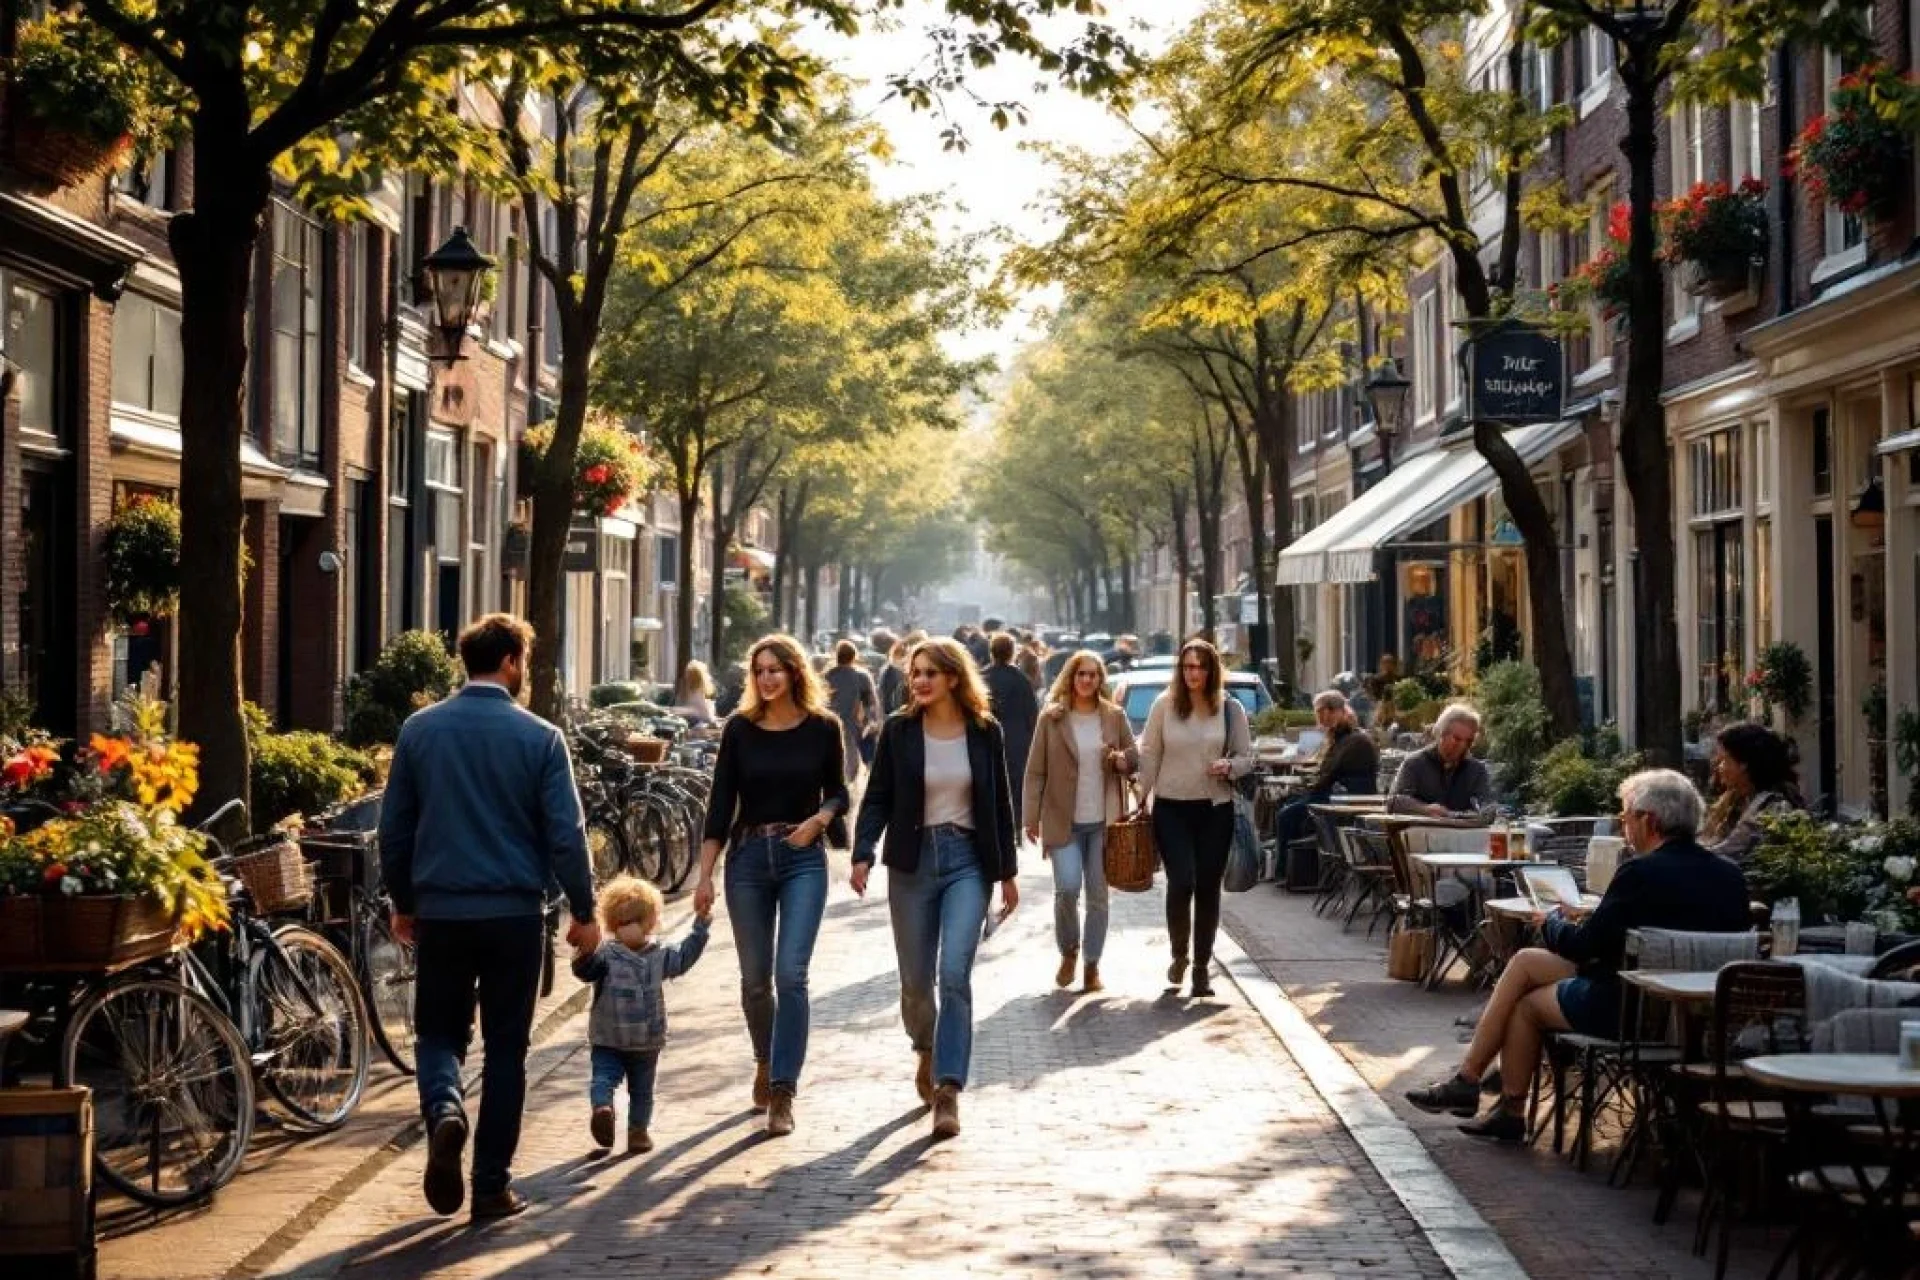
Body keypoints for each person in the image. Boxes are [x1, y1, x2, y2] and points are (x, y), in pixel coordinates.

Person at [378, 613, 598, 1221]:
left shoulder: (420, 731)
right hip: (515, 916)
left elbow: (392, 831)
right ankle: (492, 1186)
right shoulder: (541, 738)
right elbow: (566, 836)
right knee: (507, 1050)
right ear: (509, 663)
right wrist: (583, 909)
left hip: (443, 914)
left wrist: (404, 902)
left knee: (440, 1034)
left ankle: (446, 1107)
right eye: (522, 662)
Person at [1406, 768, 1749, 1140]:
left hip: (1629, 1009)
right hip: (1701, 1016)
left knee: (1527, 1005)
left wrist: (1551, 921)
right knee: (1525, 962)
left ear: (1648, 820)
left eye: (1625, 816)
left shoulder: (1640, 872)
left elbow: (1584, 947)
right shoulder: (1730, 875)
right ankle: (1469, 1079)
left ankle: (1506, 1106)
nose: (1623, 826)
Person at [853, 637, 1019, 1140]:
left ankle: (948, 1089)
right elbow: (878, 794)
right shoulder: (900, 731)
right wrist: (862, 851)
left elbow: (999, 803)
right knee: (916, 981)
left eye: (930, 672)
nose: (919, 680)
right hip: (912, 862)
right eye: (915, 673)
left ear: (953, 677)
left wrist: (1007, 874)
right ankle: (925, 1047)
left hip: (968, 859)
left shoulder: (984, 731)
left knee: (954, 973)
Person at [693, 634, 849, 1138]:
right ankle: (764, 1057)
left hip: (803, 858)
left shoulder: (824, 728)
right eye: (759, 670)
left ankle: (783, 1090)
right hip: (748, 860)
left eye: (776, 669)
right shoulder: (739, 729)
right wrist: (704, 877)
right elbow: (720, 806)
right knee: (755, 980)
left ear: (795, 672)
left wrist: (820, 819)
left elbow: (841, 791)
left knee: (791, 976)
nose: (766, 678)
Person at [1137, 637, 1255, 998]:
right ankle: (1179, 954)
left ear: (1211, 670)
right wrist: (1141, 796)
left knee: (1207, 888)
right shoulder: (1164, 705)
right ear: (1180, 669)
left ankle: (1202, 968)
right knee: (1181, 882)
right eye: (1188, 666)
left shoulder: (1229, 709)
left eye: (1201, 666)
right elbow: (1150, 752)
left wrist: (1229, 766)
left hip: (1214, 809)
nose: (1194, 673)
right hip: (1171, 807)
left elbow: (1247, 758)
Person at [1023, 649, 1138, 993]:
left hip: (1104, 822)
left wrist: (1119, 759)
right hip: (1064, 820)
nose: (1087, 680)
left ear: (1100, 680)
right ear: (1071, 678)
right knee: (1067, 889)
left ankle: (1091, 963)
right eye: (1081, 674)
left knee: (1099, 895)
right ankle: (1069, 950)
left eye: (1093, 675)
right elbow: (1035, 771)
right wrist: (1031, 817)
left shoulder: (1114, 716)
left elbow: (1135, 757)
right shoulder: (1052, 718)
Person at [572, 875, 711, 1156]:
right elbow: (684, 958)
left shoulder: (610, 955)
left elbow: (584, 970)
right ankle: (633, 1129)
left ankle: (605, 1108)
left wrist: (582, 949)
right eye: (626, 922)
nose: (630, 928)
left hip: (611, 1037)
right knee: (641, 1090)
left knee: (606, 1078)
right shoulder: (652, 955)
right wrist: (700, 927)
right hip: (640, 1039)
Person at [1271, 690, 1381, 866]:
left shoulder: (1354, 740)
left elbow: (1330, 774)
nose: (1321, 717)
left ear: (1337, 711)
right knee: (1287, 804)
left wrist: (1309, 784)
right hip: (1335, 794)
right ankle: (1294, 867)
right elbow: (1328, 772)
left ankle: (1285, 869)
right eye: (1319, 712)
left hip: (1343, 800)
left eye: (1323, 712)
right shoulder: (1341, 737)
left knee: (1286, 815)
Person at [1700, 722, 1802, 862]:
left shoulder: (1772, 806)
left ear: (1743, 764)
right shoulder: (1734, 800)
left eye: (1724, 760)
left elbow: (1729, 850)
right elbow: (1710, 840)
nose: (1719, 768)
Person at [1387, 703, 1494, 818]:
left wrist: (1485, 811)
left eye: (1469, 741)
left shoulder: (1476, 770)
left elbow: (1487, 806)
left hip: (1462, 833)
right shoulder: (1414, 764)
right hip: (1422, 832)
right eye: (1457, 739)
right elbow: (1394, 802)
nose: (1463, 746)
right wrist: (1425, 809)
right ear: (1441, 734)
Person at [982, 632, 1041, 831]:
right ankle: (1015, 825)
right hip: (1017, 740)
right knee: (1016, 783)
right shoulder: (1021, 680)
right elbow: (1032, 714)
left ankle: (993, 822)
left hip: (987, 739)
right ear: (1011, 652)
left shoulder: (982, 678)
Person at [824, 640, 883, 783]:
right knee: (852, 764)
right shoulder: (861, 676)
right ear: (854, 656)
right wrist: (873, 722)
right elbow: (870, 704)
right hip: (852, 725)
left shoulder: (827, 676)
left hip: (828, 725)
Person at [674, 660, 719, 726]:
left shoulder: (698, 690)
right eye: (687, 674)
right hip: (687, 717)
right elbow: (679, 705)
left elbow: (699, 711)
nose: (687, 677)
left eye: (690, 675)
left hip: (698, 718)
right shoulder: (684, 688)